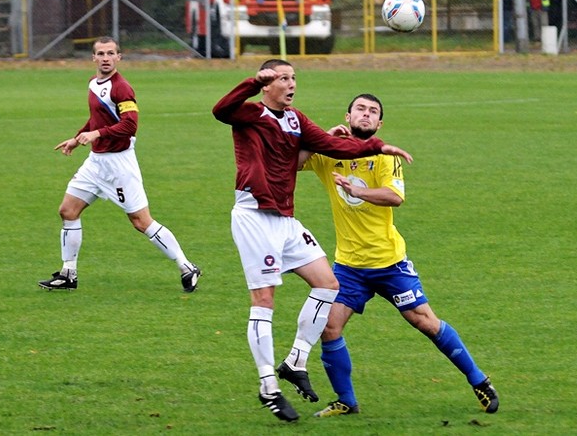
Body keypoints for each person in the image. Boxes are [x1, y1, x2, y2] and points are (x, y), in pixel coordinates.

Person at [212, 60, 412, 422]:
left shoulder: (296, 120)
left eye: (293, 78)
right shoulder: (250, 115)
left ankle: (295, 360)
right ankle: (268, 386)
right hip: (254, 216)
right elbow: (220, 110)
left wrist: (380, 147)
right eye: (284, 79)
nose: (291, 85)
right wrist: (251, 83)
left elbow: (340, 148)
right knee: (264, 299)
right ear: (267, 83)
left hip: (285, 220)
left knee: (327, 283)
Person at [298, 93, 499, 418]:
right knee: (329, 328)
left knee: (425, 322)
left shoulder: (382, 156)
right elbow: (290, 164)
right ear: (348, 117)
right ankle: (346, 401)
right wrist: (322, 138)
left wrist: (357, 191)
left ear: (379, 124)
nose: (366, 114)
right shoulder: (329, 154)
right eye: (360, 109)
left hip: (389, 263)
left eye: (373, 111)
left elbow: (394, 197)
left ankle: (478, 379)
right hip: (349, 266)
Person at [38, 36, 201, 293]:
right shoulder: (93, 83)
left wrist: (97, 135)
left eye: (110, 53)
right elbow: (96, 118)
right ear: (93, 58)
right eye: (100, 53)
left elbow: (130, 125)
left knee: (140, 221)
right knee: (68, 211)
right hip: (96, 163)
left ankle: (186, 266)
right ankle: (69, 273)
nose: (105, 58)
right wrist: (78, 138)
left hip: (119, 165)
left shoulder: (122, 88)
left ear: (118, 57)